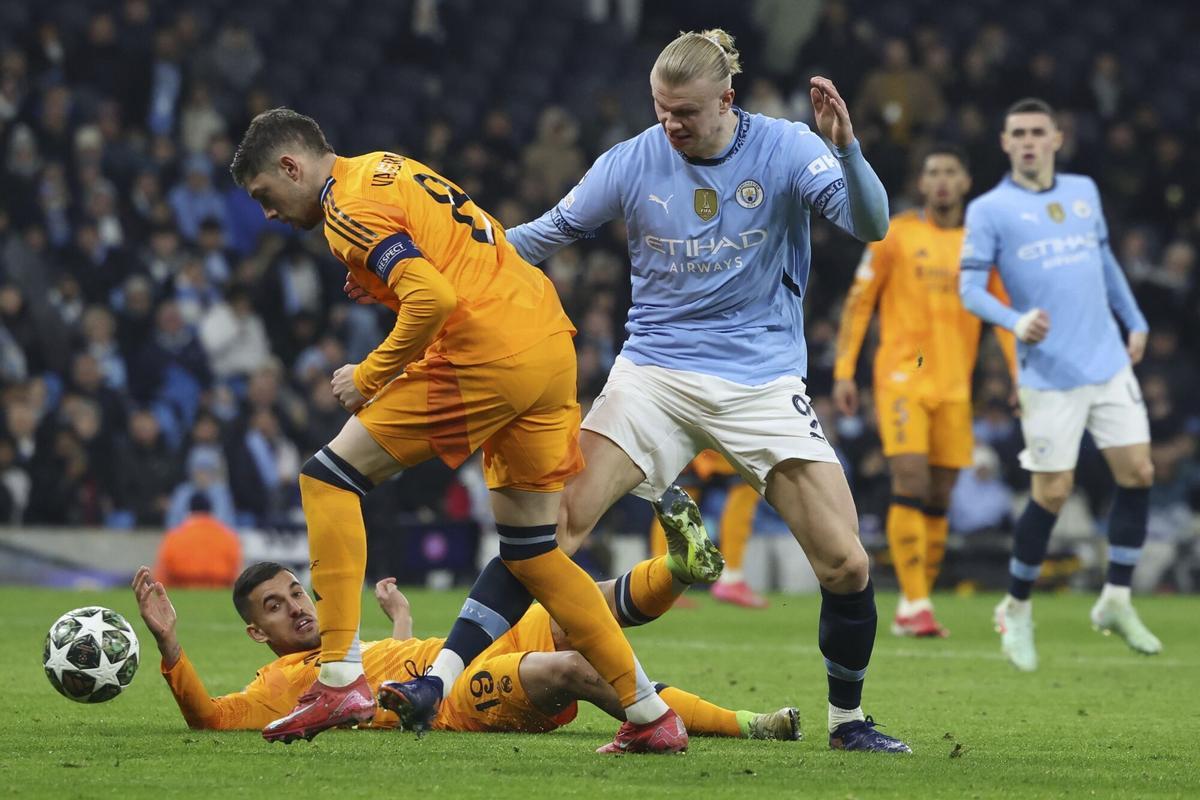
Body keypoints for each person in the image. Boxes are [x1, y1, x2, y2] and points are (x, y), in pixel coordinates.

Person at [420, 28, 907, 753]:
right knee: (552, 531)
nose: (670, 125)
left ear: (726, 101)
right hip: (655, 373)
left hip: (761, 380)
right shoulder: (633, 160)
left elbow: (871, 225)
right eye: (660, 109)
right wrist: (448, 256)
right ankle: (439, 679)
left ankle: (847, 723)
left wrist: (847, 150)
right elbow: (548, 232)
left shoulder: (787, 148)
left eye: (685, 112)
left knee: (846, 563)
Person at [230, 109, 710, 750]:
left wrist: (370, 375)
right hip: (547, 344)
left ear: (291, 166)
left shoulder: (344, 208)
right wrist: (383, 286)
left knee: (327, 478)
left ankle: (340, 674)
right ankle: (651, 714)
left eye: (265, 195)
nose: (268, 213)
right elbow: (448, 258)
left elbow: (434, 298)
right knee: (535, 553)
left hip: (486, 352)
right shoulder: (384, 167)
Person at [131, 560, 799, 742]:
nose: (297, 607)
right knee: (574, 668)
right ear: (258, 633)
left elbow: (391, 675)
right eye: (274, 607)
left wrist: (401, 621)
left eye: (295, 592)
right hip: (462, 700)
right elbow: (210, 720)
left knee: (576, 602)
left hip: (454, 653)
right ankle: (746, 726)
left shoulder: (343, 650)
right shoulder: (277, 686)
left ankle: (677, 570)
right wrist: (170, 645)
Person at [958, 97, 1161, 672]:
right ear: (1004, 142)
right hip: (1048, 374)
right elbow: (970, 290)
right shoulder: (990, 210)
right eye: (1017, 132)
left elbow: (1104, 263)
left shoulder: (1084, 192)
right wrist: (1014, 320)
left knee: (1139, 472)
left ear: (1056, 138)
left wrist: (1136, 319)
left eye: (1036, 132)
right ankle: (1016, 608)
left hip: (1108, 363)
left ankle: (1116, 600)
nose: (1027, 140)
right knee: (1051, 492)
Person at [833, 145, 1016, 638]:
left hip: (955, 387)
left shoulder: (981, 244)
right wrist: (845, 370)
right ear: (922, 183)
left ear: (964, 182)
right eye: (932, 171)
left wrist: (1022, 379)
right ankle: (914, 601)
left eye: (950, 171)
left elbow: (1004, 316)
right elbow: (859, 302)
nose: (940, 180)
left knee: (939, 495)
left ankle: (918, 601)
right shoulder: (894, 233)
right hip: (901, 380)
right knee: (910, 481)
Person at [649, 451, 768, 608]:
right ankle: (730, 579)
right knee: (747, 481)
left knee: (681, 493)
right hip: (718, 437)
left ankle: (662, 582)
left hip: (690, 435)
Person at [154, 493, 242, 588]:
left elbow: (163, 574)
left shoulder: (175, 536)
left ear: (189, 511)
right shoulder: (228, 536)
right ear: (211, 511)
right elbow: (234, 573)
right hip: (217, 588)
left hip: (182, 589)